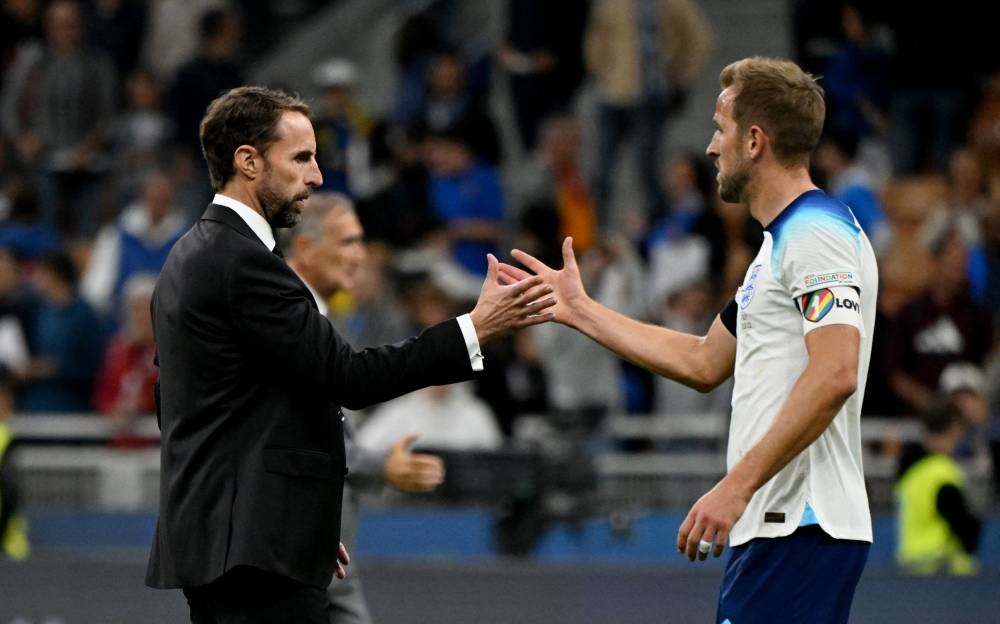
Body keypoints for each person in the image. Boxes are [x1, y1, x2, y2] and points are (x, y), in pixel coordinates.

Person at [145, 85, 555, 623]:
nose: (316, 176)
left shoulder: (192, 254)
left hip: (242, 540)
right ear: (247, 161)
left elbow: (209, 405)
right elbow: (349, 377)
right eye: (301, 158)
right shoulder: (240, 263)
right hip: (250, 553)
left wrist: (300, 514)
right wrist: (474, 328)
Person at [501, 57, 877, 623]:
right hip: (779, 527)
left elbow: (835, 372)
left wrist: (736, 487)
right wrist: (581, 311)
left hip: (799, 522)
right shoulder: (779, 248)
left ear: (754, 141)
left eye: (720, 128)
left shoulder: (816, 234)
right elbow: (704, 360)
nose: (709, 147)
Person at [284, 192, 448, 624]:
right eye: (347, 243)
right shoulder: (289, 320)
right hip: (289, 552)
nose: (359, 257)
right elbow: (305, 440)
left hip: (325, 556)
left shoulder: (318, 320)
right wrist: (382, 467)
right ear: (305, 248)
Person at [896, 394, 982, 575]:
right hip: (942, 566)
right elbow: (963, 526)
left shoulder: (910, 471)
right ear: (954, 427)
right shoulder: (941, 471)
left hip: (912, 565)